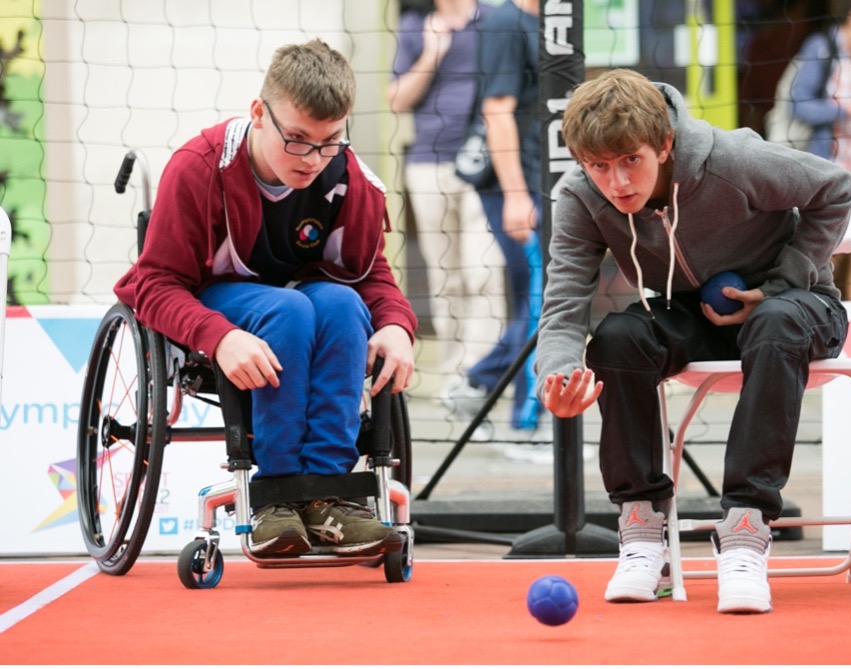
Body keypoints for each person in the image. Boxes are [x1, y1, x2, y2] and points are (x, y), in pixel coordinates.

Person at [536, 69, 851, 614]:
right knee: (617, 337)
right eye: (598, 167)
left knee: (776, 321)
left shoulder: (731, 161)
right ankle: (641, 533)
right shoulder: (580, 198)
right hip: (692, 313)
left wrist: (783, 279)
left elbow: (836, 187)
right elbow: (566, 300)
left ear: (664, 143)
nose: (617, 183)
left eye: (630, 160)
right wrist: (557, 371)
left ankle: (746, 529)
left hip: (797, 306)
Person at [113, 39, 417, 557]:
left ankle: (326, 496)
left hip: (303, 305)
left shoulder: (350, 181)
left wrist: (396, 324)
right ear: (259, 113)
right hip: (219, 303)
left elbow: (371, 274)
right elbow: (153, 284)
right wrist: (220, 336)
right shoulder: (199, 168)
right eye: (297, 140)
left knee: (345, 307)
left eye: (330, 142)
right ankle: (274, 496)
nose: (313, 159)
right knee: (291, 309)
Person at [441, 0, 549, 463]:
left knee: (545, 301)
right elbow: (497, 111)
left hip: (542, 181)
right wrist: (517, 194)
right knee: (544, 302)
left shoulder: (553, 21)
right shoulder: (506, 21)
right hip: (516, 184)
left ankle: (476, 385)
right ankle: (526, 428)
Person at [388, 0, 505, 388]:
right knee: (445, 277)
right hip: (429, 163)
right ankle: (456, 376)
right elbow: (397, 99)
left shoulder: (494, 19)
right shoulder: (413, 25)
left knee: (483, 270)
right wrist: (431, 52)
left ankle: (480, 377)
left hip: (484, 164)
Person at [788, 0, 851, 298]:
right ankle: (826, 305)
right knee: (830, 242)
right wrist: (847, 111)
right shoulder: (821, 48)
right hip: (830, 164)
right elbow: (801, 105)